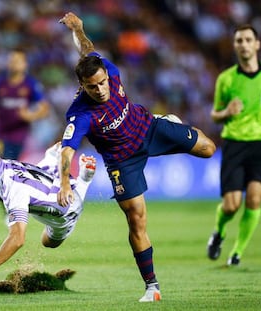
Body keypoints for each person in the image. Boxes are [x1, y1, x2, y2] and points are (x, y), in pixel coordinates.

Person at [57, 12, 216, 302]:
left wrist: (78, 28)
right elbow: (67, 150)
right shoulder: (79, 115)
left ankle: (168, 119)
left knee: (209, 149)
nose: (101, 90)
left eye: (103, 82)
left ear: (106, 74)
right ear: (81, 86)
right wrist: (65, 184)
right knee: (137, 219)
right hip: (122, 161)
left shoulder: (109, 69)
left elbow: (86, 49)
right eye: (92, 87)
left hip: (148, 128)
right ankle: (152, 287)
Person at [0, 130, 96, 287]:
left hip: (66, 205)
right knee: (39, 178)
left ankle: (83, 181)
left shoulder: (13, 188)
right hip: (45, 180)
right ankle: (52, 157)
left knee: (48, 242)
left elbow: (17, 239)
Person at [206, 24, 261, 266]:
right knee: (232, 206)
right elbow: (214, 114)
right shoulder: (226, 78)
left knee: (254, 199)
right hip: (235, 144)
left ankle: (237, 253)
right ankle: (219, 232)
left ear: (257, 44)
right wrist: (226, 112)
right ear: (235, 46)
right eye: (239, 40)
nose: (243, 44)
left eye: (247, 40)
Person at [0, 48, 50, 160]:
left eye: (17, 61)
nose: (13, 63)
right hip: (1, 131)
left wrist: (31, 116)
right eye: (11, 60)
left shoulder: (30, 84)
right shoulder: (1, 83)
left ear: (25, 65)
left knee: (8, 163)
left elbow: (44, 108)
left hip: (18, 135)